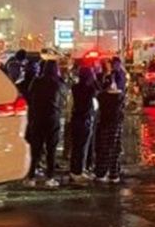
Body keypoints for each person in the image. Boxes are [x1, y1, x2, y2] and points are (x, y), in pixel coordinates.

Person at [23, 59, 66, 187]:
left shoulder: (36, 82)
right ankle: (50, 177)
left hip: (37, 118)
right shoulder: (58, 83)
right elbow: (63, 99)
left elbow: (30, 96)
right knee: (51, 149)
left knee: (35, 149)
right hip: (52, 118)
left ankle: (30, 177)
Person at [93, 58, 127, 183]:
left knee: (105, 147)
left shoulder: (103, 95)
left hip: (106, 122)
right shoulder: (117, 96)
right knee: (114, 147)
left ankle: (103, 173)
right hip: (114, 121)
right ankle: (113, 173)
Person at [68, 62, 101, 183]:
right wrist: (95, 78)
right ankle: (78, 171)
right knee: (82, 146)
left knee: (76, 146)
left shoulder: (75, 88)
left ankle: (75, 170)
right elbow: (99, 90)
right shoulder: (90, 89)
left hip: (76, 118)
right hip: (85, 119)